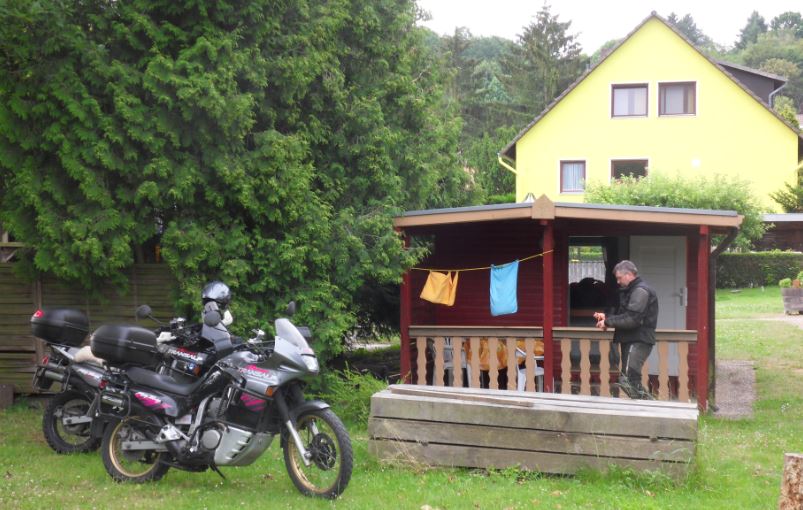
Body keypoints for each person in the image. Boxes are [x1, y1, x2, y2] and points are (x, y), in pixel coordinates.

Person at [593, 260, 658, 399]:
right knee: (628, 381)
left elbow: (632, 319)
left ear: (629, 274)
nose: (617, 282)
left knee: (628, 380)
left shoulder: (640, 291)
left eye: (619, 278)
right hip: (631, 339)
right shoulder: (632, 291)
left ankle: (650, 406)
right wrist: (607, 317)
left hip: (638, 340)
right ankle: (647, 406)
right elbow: (626, 315)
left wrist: (608, 322)